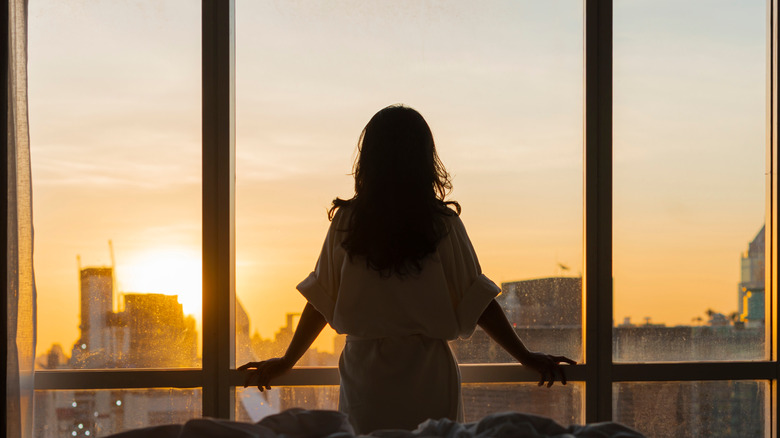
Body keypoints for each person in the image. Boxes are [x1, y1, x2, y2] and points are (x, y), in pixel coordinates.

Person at [239, 104, 576, 434]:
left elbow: (320, 300)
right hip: (428, 373)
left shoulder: (348, 222)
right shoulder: (441, 223)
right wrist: (526, 356)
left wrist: (286, 361)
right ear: (424, 158)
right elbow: (479, 301)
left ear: (368, 158)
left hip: (365, 375)